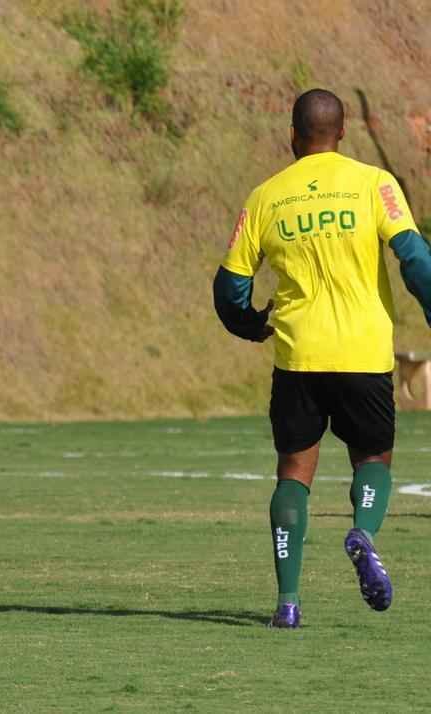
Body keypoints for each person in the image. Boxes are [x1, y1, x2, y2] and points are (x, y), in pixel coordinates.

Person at [214, 88, 431, 628]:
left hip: (298, 355)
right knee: (373, 460)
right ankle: (363, 532)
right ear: (343, 132)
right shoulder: (375, 183)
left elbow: (229, 285)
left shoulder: (267, 196)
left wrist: (249, 323)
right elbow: (413, 257)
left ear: (291, 135)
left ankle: (288, 605)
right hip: (363, 352)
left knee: (293, 473)